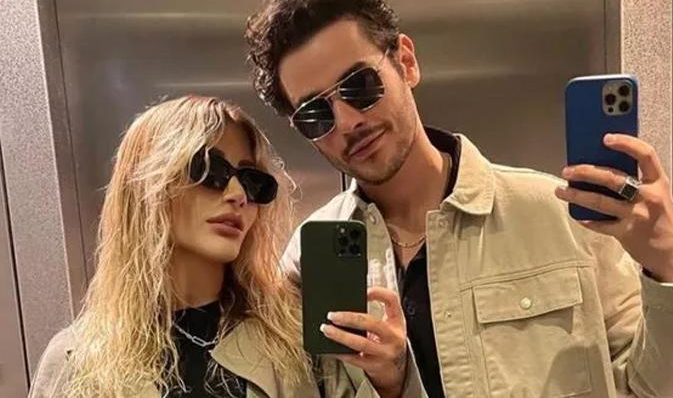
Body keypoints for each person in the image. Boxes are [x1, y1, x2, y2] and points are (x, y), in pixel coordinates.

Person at [244, 0, 673, 397]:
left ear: (405, 62)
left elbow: (661, 391)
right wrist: (390, 385)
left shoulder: (560, 218)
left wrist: (672, 269)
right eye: (315, 114)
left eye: (359, 85)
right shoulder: (309, 261)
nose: (348, 121)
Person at [29, 95, 422, 397]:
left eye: (252, 181)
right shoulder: (76, 360)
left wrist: (392, 383)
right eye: (209, 170)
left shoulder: (298, 340)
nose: (237, 194)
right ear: (147, 186)